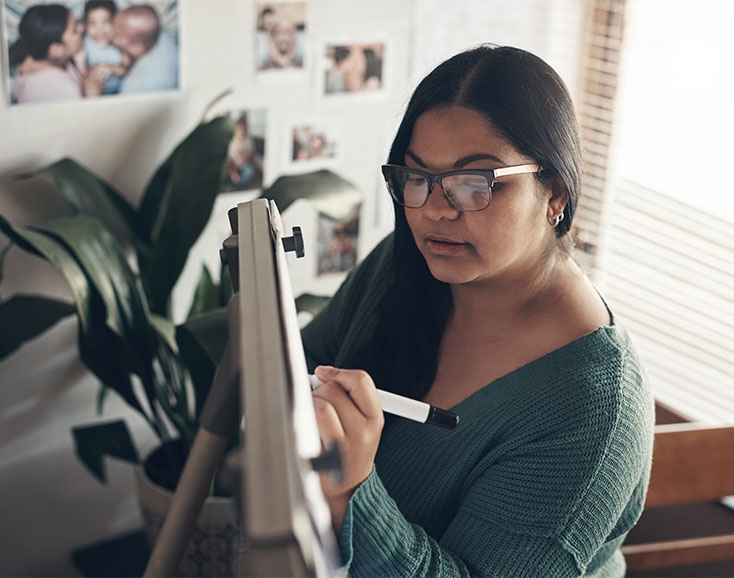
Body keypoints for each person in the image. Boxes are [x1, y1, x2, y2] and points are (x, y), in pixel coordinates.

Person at [303, 44, 655, 577]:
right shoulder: (402, 266)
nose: (436, 210)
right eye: (417, 178)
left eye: (476, 183)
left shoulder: (594, 407)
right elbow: (302, 360)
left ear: (554, 193)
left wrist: (352, 491)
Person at [9, 3, 103, 103]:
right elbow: (83, 117)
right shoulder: (63, 90)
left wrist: (80, 62)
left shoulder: (31, 54)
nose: (82, 28)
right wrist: (92, 97)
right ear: (56, 50)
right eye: (74, 30)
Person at [112, 4, 178, 94]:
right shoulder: (158, 34)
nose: (110, 33)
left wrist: (92, 93)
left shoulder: (134, 87)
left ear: (136, 49)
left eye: (116, 34)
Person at [74, 0, 130, 95]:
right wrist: (82, 67)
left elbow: (129, 71)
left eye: (106, 21)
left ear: (115, 21)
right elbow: (80, 80)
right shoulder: (83, 45)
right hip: (94, 96)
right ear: (86, 26)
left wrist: (113, 69)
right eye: (92, 23)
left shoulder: (119, 43)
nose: (100, 29)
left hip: (119, 93)